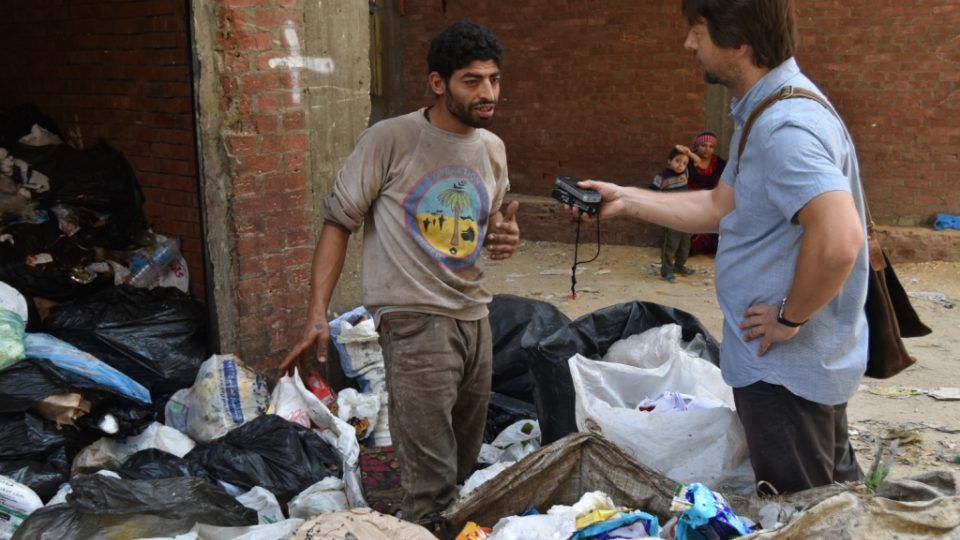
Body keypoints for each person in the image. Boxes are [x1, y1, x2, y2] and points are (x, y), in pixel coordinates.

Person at [568, 0, 868, 495]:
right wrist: (626, 201)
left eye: (698, 32)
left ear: (740, 41)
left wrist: (789, 319)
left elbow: (840, 239)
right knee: (830, 500)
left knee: (803, 514)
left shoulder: (784, 127)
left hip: (784, 375)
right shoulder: (770, 110)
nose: (689, 44)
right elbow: (717, 207)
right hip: (787, 372)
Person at [279, 20, 520, 525]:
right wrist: (317, 312)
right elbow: (338, 222)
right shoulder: (392, 139)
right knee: (430, 479)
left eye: (494, 79)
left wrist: (504, 235)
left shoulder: (491, 149)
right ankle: (418, 528)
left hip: (475, 314)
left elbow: (490, 222)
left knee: (461, 458)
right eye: (472, 81)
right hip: (413, 316)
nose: (488, 92)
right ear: (438, 83)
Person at [677, 131, 726, 254]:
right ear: (696, 146)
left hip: (713, 201)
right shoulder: (686, 161)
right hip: (691, 200)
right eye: (703, 145)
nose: (707, 149)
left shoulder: (719, 163)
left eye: (711, 146)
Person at [649, 148, 694, 281]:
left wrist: (688, 152)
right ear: (669, 161)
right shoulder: (662, 177)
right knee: (671, 243)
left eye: (684, 163)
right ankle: (666, 271)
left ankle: (679, 265)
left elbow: (697, 161)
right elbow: (653, 194)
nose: (681, 165)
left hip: (685, 213)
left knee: (685, 242)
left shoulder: (685, 172)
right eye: (677, 161)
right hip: (671, 214)